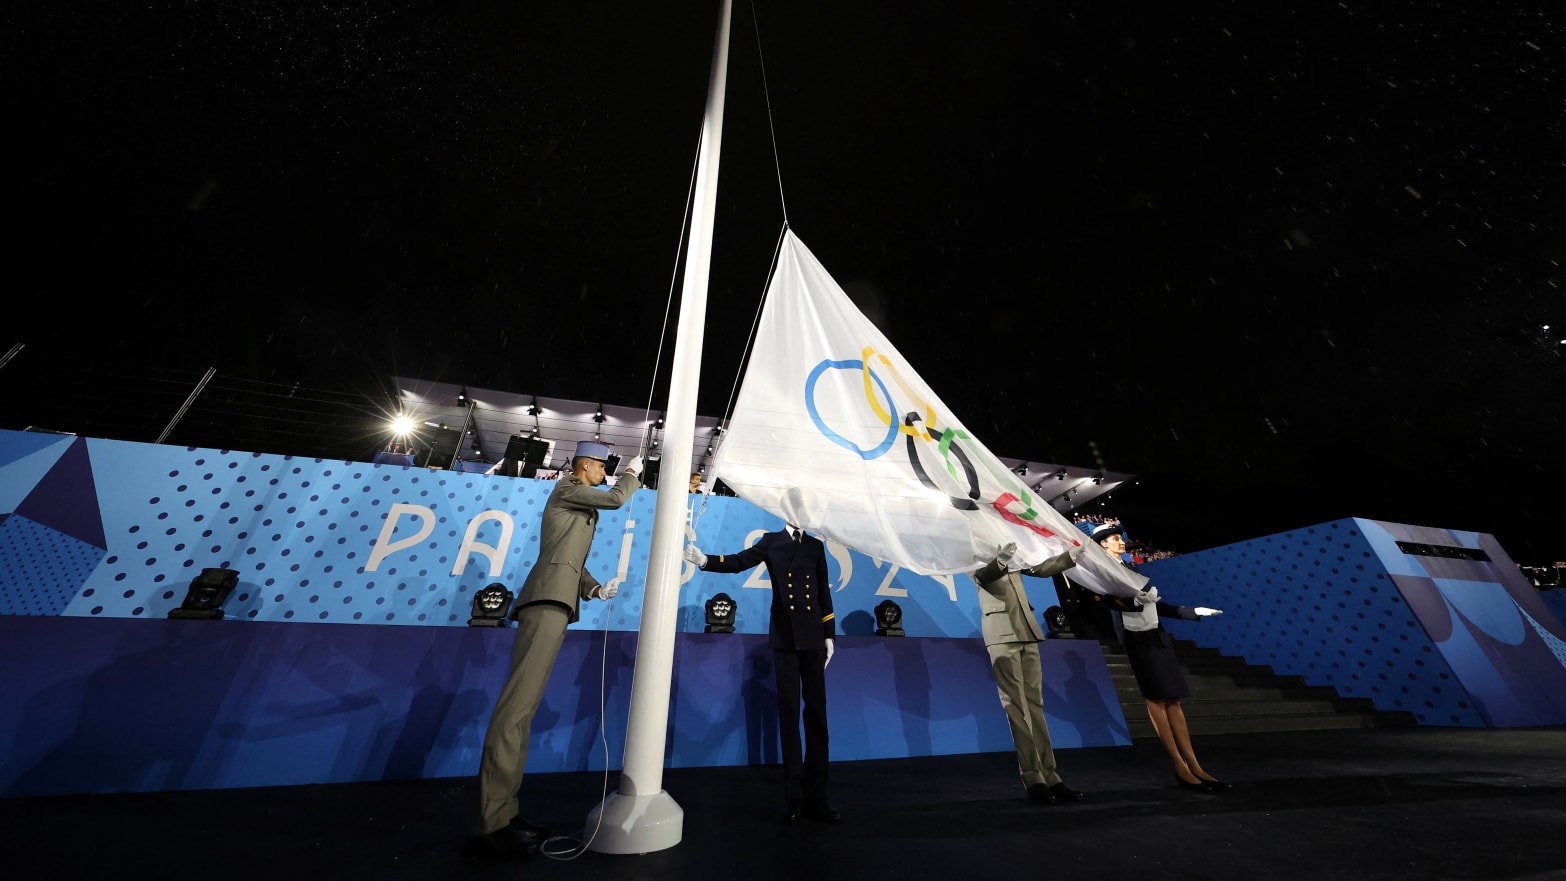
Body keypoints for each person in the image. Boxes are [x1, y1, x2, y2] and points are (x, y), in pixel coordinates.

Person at [464, 441, 643, 861]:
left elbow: (569, 560)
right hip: (544, 602)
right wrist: (634, 474)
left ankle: (506, 815)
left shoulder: (578, 506)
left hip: (557, 602)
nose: (607, 472)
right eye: (602, 466)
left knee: (522, 715)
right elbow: (617, 499)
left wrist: (595, 588)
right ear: (584, 466)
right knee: (514, 712)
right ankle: (489, 824)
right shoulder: (566, 487)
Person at [684, 523, 839, 823]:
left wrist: (829, 634)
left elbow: (823, 592)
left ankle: (819, 796)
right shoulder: (771, 541)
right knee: (789, 716)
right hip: (785, 638)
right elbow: (740, 561)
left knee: (818, 717)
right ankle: (795, 797)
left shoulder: (816, 546)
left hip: (813, 639)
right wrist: (706, 561)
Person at [1090, 522, 1229, 793]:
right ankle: (1179, 765)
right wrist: (1133, 603)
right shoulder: (1102, 569)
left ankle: (1194, 764)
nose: (1121, 542)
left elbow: (1155, 603)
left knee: (1174, 698)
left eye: (1120, 538)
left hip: (1155, 633)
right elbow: (1105, 599)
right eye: (1116, 539)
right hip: (1136, 638)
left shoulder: (1131, 568)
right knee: (1156, 697)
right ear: (1103, 544)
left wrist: (1193, 611)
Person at [970, 541, 1090, 804]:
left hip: (1027, 630)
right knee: (1016, 707)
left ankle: (1051, 775)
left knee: (1035, 705)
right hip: (1001, 634)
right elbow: (982, 576)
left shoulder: (1011, 551)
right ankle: (1033, 777)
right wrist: (1000, 561)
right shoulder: (973, 551)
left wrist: (1069, 556)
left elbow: (1038, 568)